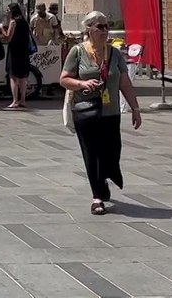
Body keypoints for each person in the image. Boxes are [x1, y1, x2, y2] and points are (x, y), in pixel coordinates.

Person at [60, 11, 141, 215]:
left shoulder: (113, 53)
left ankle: (104, 176)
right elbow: (64, 79)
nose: (105, 31)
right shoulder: (77, 52)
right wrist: (82, 83)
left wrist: (135, 108)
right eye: (100, 27)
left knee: (113, 151)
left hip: (110, 111)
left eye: (107, 26)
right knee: (92, 154)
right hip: (86, 111)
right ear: (90, 29)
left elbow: (125, 83)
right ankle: (97, 196)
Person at [2, 4, 32, 109]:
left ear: (12, 11)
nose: (7, 12)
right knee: (23, 77)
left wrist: (1, 29)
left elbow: (8, 37)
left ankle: (15, 100)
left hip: (15, 51)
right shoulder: (24, 22)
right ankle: (23, 99)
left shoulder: (13, 22)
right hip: (24, 51)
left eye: (8, 10)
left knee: (14, 76)